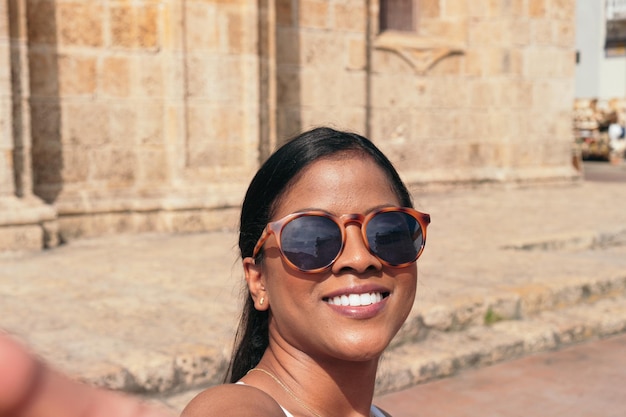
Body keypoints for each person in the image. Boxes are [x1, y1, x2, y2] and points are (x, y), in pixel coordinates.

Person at [1, 127, 430, 417]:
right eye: (312, 237)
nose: (360, 258)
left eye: (389, 231)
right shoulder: (234, 407)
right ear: (257, 280)